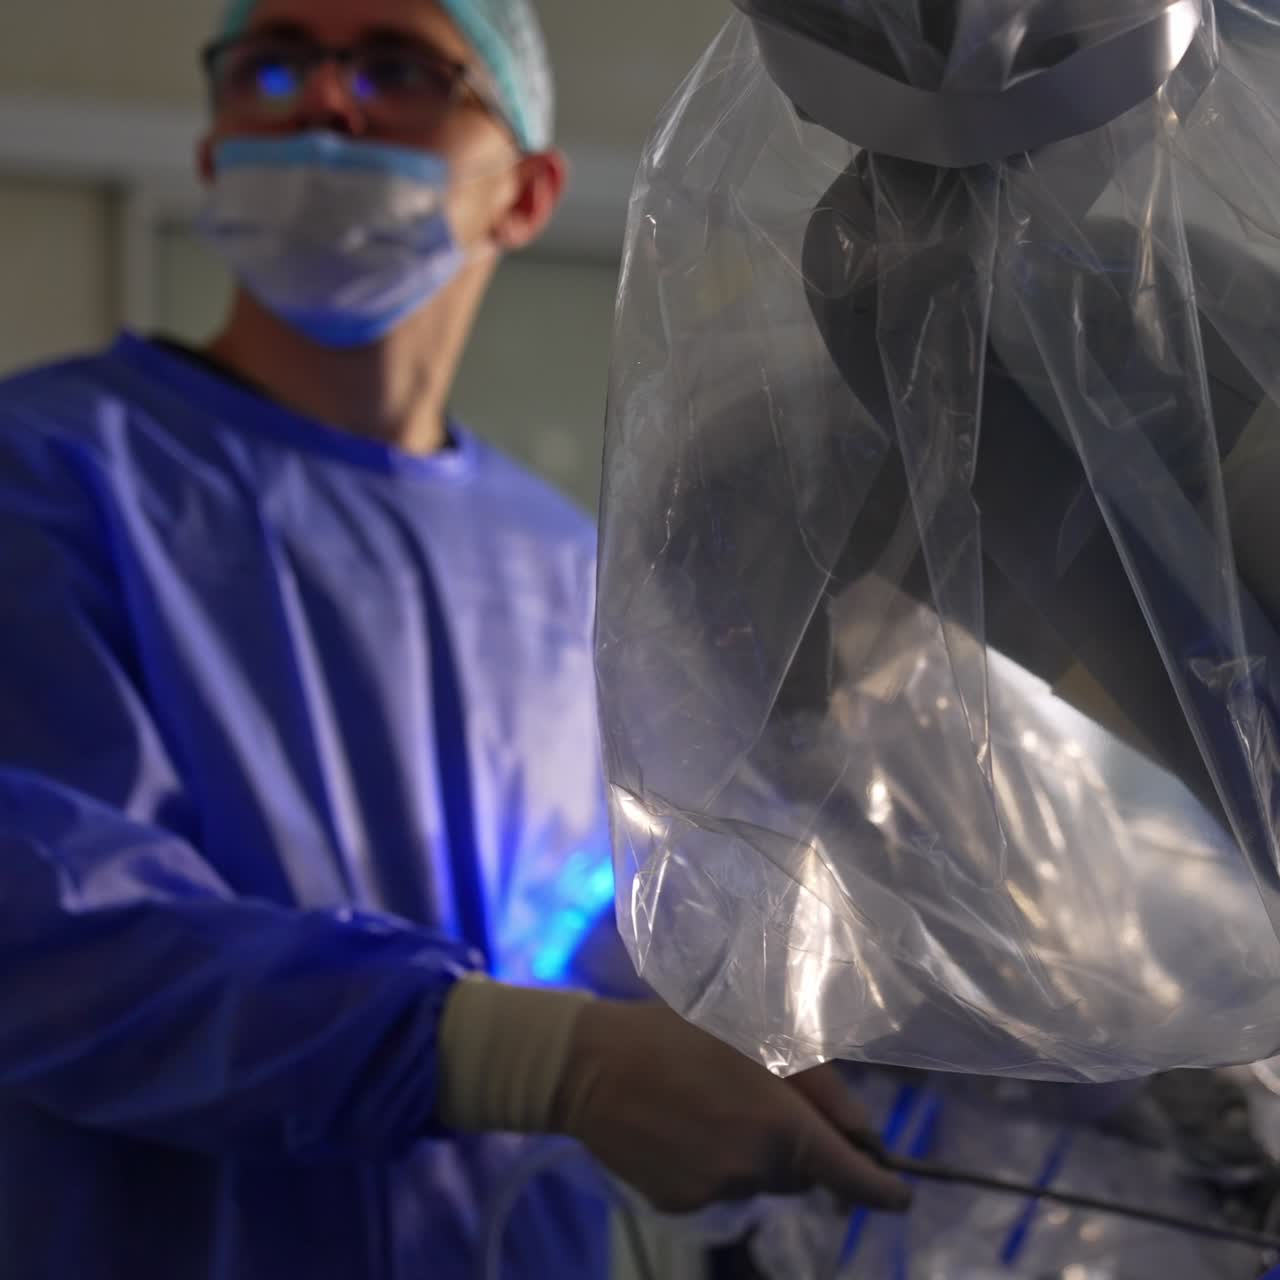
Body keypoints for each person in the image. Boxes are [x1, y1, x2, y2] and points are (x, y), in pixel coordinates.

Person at [0, 0, 911, 1275]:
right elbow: (48, 926)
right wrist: (531, 1061)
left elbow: (587, 907)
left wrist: (746, 1013)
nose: (322, 100)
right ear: (210, 152)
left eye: (396, 68)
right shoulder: (44, 476)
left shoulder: (560, 562)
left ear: (527, 193)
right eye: (271, 63)